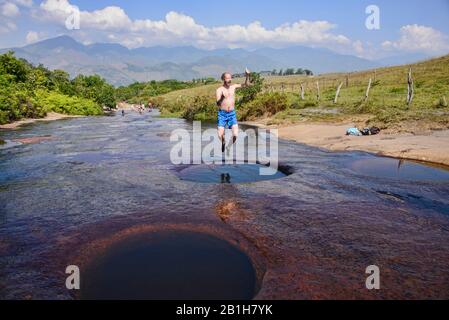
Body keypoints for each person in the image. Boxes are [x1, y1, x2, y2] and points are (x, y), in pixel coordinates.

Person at [216, 69, 251, 154]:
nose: (229, 80)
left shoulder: (233, 87)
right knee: (220, 134)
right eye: (227, 78)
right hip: (222, 114)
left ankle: (228, 146)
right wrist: (222, 97)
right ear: (223, 79)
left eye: (230, 78)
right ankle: (223, 142)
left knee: (235, 135)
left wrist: (247, 76)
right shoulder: (219, 90)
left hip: (232, 114)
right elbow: (218, 103)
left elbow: (246, 85)